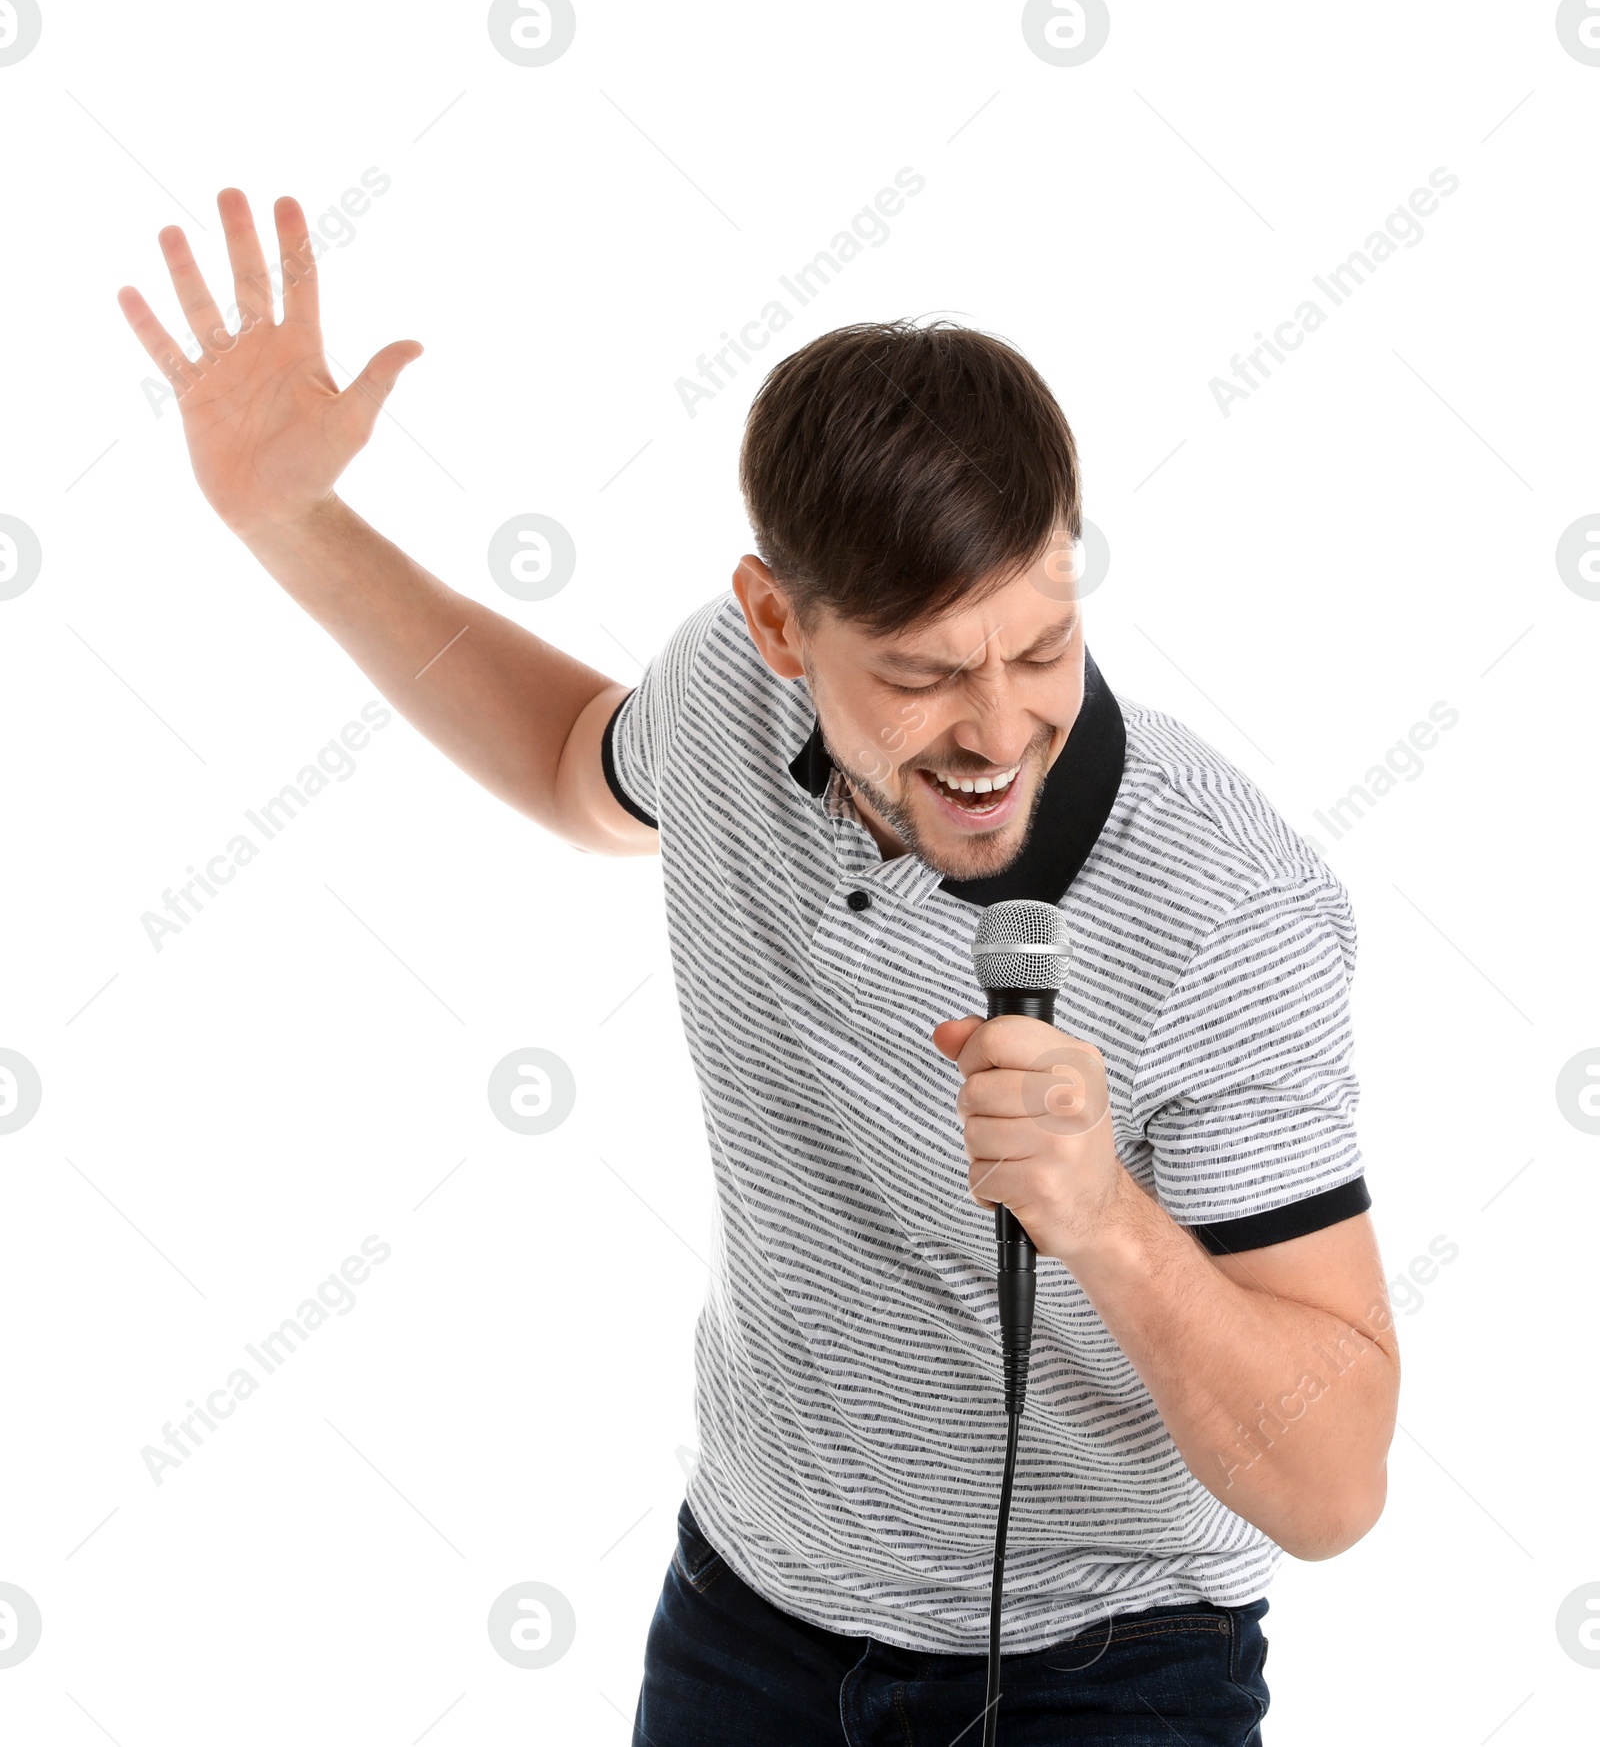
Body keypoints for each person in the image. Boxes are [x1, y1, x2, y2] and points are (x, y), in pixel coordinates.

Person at [120, 189, 1400, 1746]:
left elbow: (1335, 1489)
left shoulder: (1227, 905)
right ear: (778, 626)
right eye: (923, 676)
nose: (998, 732)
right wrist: (288, 519)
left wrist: (1107, 1224)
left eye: (1040, 649)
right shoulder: (727, 701)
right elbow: (566, 760)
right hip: (746, 1620)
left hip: (1105, 1666)